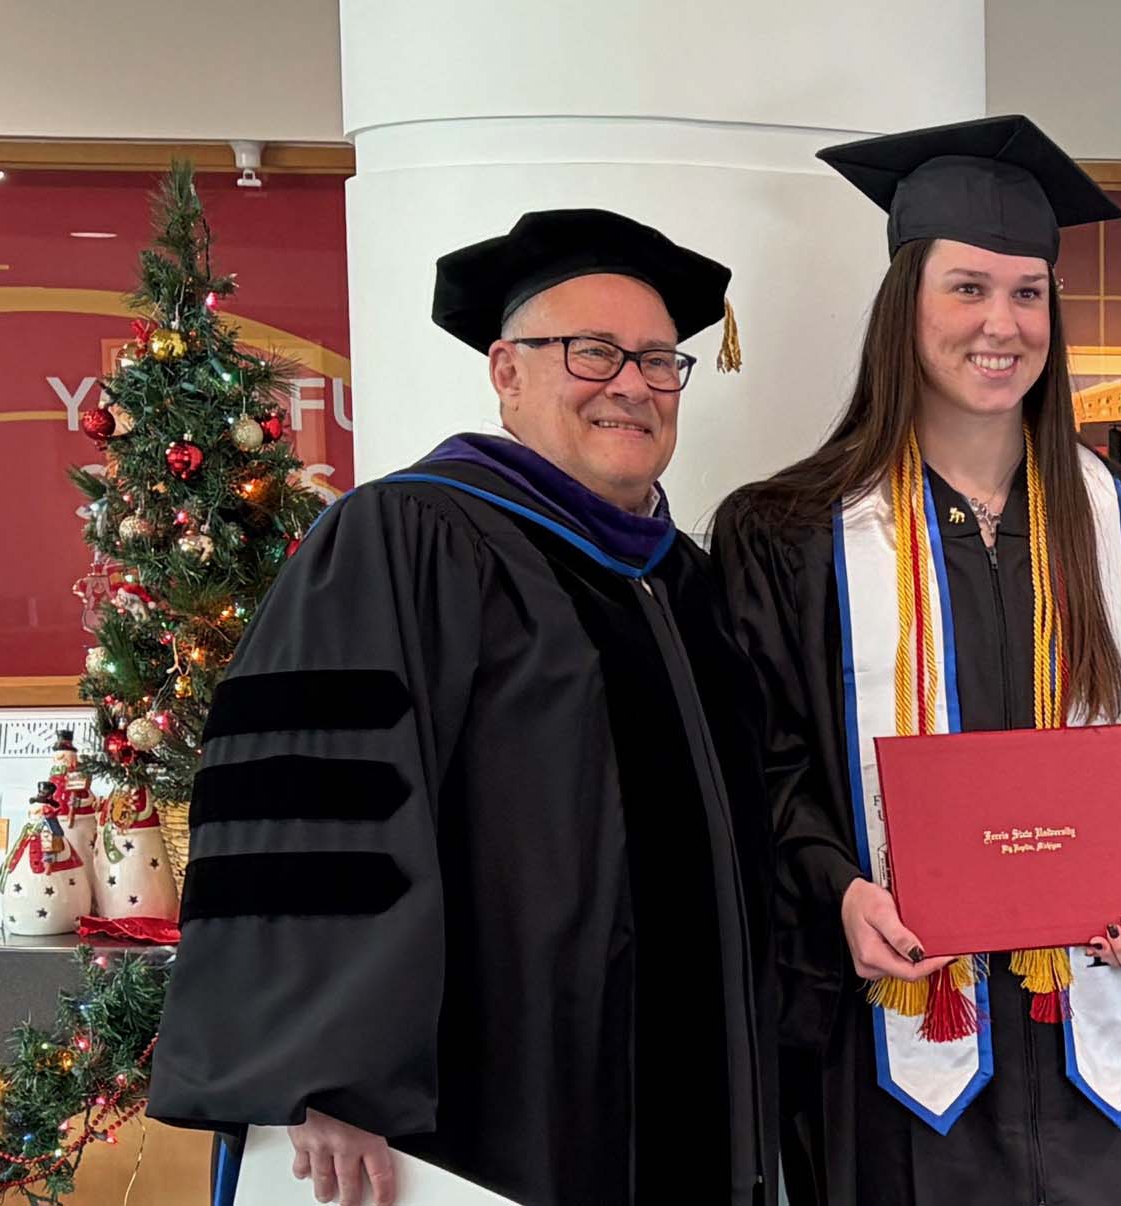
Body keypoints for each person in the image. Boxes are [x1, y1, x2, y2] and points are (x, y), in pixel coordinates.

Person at [148, 209, 778, 1206]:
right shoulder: (406, 539)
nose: (632, 384)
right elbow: (316, 806)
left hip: (692, 1088)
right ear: (507, 371)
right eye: (593, 352)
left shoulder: (687, 582)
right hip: (496, 1100)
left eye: (660, 361)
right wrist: (324, 1068)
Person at [710, 115, 1121, 1206]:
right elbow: (767, 763)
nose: (1003, 324)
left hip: (1100, 1043)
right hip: (890, 1044)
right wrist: (835, 890)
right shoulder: (788, 533)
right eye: (968, 289)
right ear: (906, 307)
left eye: (1028, 293)